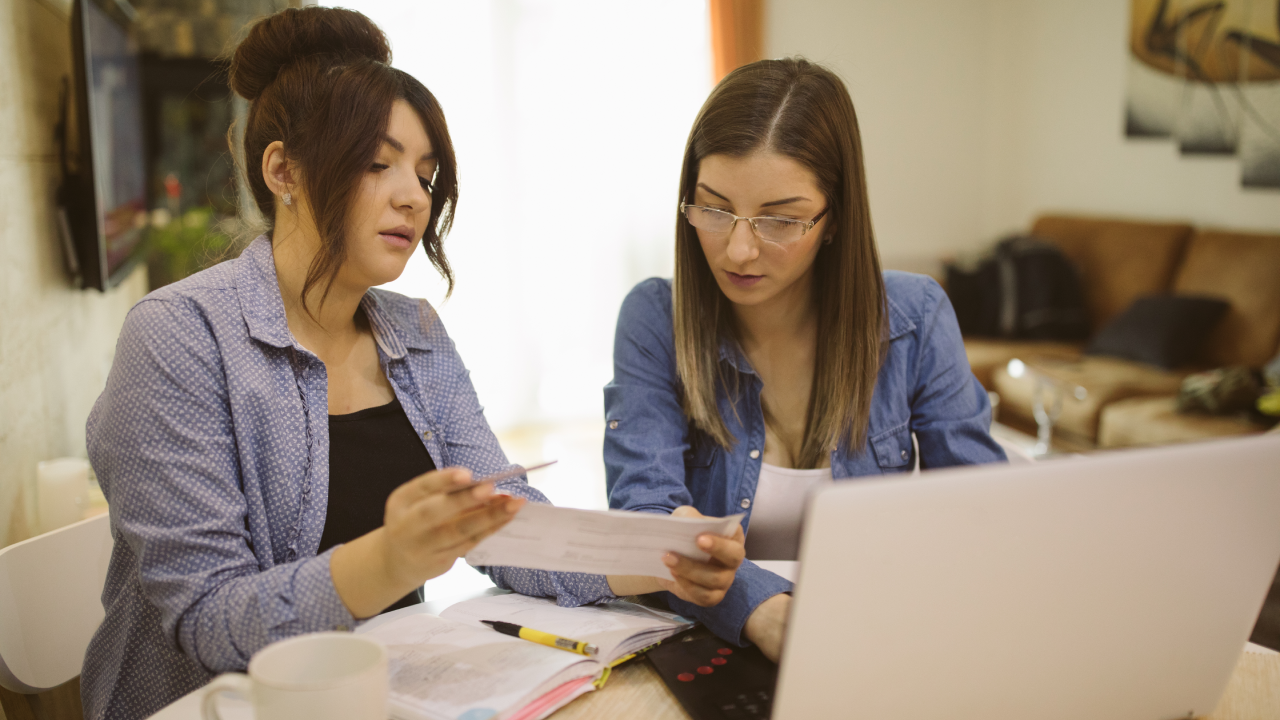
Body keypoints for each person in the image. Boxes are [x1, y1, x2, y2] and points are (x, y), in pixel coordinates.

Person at [80, 8, 742, 719]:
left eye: (426, 175)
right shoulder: (180, 337)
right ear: (283, 170)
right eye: (377, 164)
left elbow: (508, 527)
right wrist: (391, 558)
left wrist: (665, 560)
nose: (414, 198)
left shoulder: (414, 333)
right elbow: (210, 619)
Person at [603, 58, 1008, 662]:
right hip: (718, 647)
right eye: (714, 210)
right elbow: (647, 518)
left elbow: (982, 515)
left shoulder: (915, 316)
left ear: (835, 218)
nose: (738, 250)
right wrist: (763, 610)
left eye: (781, 220)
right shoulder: (656, 319)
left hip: (884, 637)